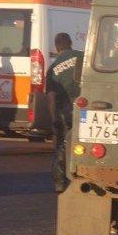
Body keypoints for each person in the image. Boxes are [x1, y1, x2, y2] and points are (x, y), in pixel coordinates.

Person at [45, 33, 83, 192]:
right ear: (71, 43)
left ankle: (60, 181)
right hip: (85, 107)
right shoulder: (82, 56)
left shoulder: (53, 67)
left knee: (62, 144)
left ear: (56, 47)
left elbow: (51, 96)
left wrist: (53, 118)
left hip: (64, 109)